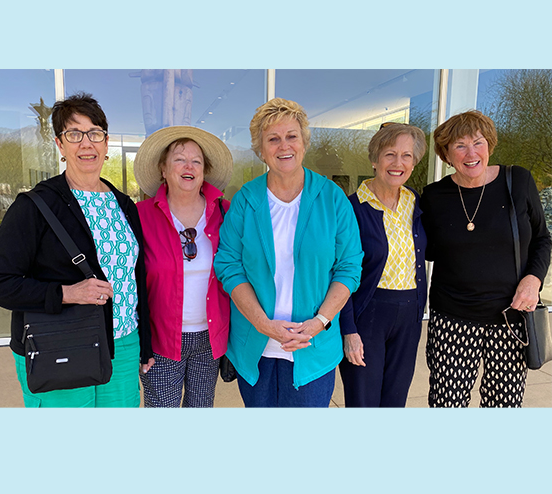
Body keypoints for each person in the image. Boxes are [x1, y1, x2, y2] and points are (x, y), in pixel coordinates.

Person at [0, 92, 153, 407]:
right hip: (59, 345)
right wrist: (65, 293)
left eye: (95, 134)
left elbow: (135, 276)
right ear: (60, 145)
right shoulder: (34, 206)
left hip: (123, 346)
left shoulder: (124, 205)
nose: (86, 143)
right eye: (74, 134)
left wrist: (144, 346)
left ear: (106, 143)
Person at [214, 98, 363, 407]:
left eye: (291, 136)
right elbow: (229, 265)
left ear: (303, 142)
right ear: (261, 149)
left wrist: (320, 320)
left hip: (313, 346)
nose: (284, 146)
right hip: (256, 346)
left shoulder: (332, 199)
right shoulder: (246, 201)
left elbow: (349, 267)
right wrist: (262, 323)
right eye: (273, 138)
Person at [420, 110, 551, 407]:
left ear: (489, 145)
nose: (471, 153)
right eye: (460, 146)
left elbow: (542, 239)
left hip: (510, 319)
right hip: (451, 320)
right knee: (446, 404)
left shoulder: (517, 181)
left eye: (478, 143)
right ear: (446, 153)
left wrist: (533, 282)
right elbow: (424, 250)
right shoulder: (433, 197)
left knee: (502, 406)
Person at [134, 126, 233, 407]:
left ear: (204, 171)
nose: (188, 166)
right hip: (161, 341)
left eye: (196, 160)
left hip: (209, 339)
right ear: (163, 170)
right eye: (179, 159)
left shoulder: (225, 211)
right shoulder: (140, 216)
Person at [339, 122, 428, 407]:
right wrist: (348, 330)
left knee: (395, 401)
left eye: (407, 156)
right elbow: (338, 272)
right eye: (390, 154)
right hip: (368, 313)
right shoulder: (352, 208)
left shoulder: (414, 202)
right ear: (375, 159)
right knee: (363, 401)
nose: (398, 163)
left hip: (409, 315)